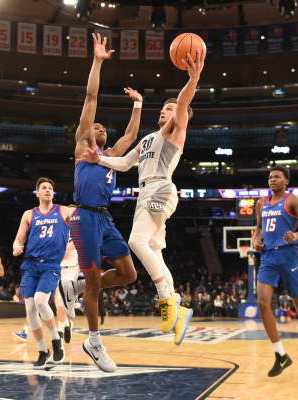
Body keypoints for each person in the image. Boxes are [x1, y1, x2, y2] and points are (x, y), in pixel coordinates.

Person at [77, 42, 206, 346]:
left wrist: (193, 80)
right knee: (155, 252)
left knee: (135, 241)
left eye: (170, 108)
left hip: (161, 187)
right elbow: (123, 163)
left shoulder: (175, 130)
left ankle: (166, 298)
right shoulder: (149, 138)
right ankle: (180, 310)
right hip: (144, 194)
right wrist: (100, 159)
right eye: (164, 107)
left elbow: (184, 103)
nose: (165, 109)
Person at [58, 33, 140, 373]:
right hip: (84, 218)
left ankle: (75, 287)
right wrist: (97, 61)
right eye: (97, 125)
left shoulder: (111, 156)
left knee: (128, 274)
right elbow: (91, 95)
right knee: (94, 283)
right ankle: (93, 340)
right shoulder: (83, 146)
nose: (100, 128)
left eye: (105, 128)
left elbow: (131, 137)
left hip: (104, 219)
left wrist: (138, 103)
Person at [252, 166, 298, 378]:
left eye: (276, 177)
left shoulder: (293, 200)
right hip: (268, 257)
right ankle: (281, 355)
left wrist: (297, 234)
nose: (272, 180)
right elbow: (258, 228)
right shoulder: (260, 203)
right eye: (270, 177)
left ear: (286, 181)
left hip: (289, 255)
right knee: (263, 304)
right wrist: (255, 240)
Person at [13, 177, 73, 369]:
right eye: (43, 188)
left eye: (50, 188)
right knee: (30, 308)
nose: (47, 190)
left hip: (51, 265)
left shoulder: (64, 211)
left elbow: (84, 223)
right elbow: (18, 240)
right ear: (37, 193)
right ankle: (42, 351)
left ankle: (56, 340)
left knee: (40, 300)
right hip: (30, 265)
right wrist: (16, 247)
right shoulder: (29, 214)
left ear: (53, 193)